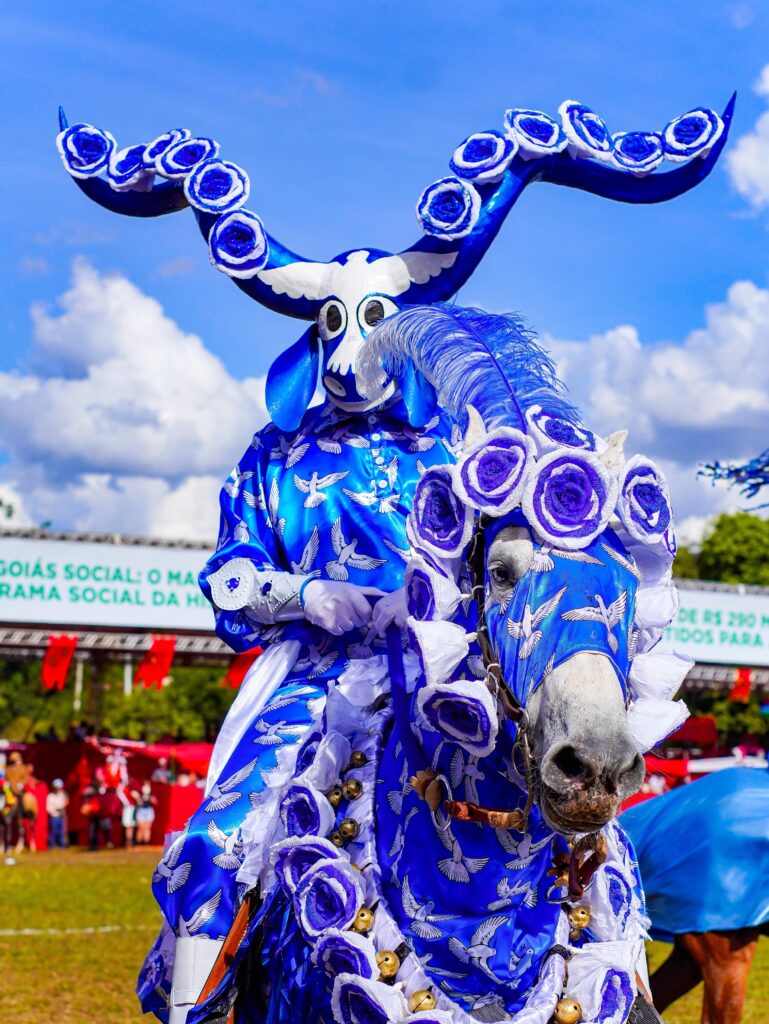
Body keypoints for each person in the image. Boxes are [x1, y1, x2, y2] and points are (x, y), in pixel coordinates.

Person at [46, 778, 69, 849]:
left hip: (61, 816)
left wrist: (62, 807)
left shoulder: (62, 795)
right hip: (54, 817)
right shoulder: (50, 796)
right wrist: (55, 810)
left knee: (61, 832)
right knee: (53, 832)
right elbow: (48, 808)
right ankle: (51, 846)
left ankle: (62, 846)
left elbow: (65, 803)